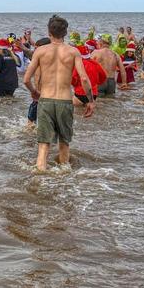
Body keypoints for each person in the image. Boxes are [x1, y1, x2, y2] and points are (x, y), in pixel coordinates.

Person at [23, 15, 95, 171]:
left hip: (45, 99)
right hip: (64, 100)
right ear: (66, 33)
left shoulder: (40, 51)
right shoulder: (73, 52)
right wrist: (90, 101)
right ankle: (64, 181)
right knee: (64, 144)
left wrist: (34, 92)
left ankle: (39, 180)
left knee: (43, 146)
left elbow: (26, 79)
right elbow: (83, 78)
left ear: (49, 31)